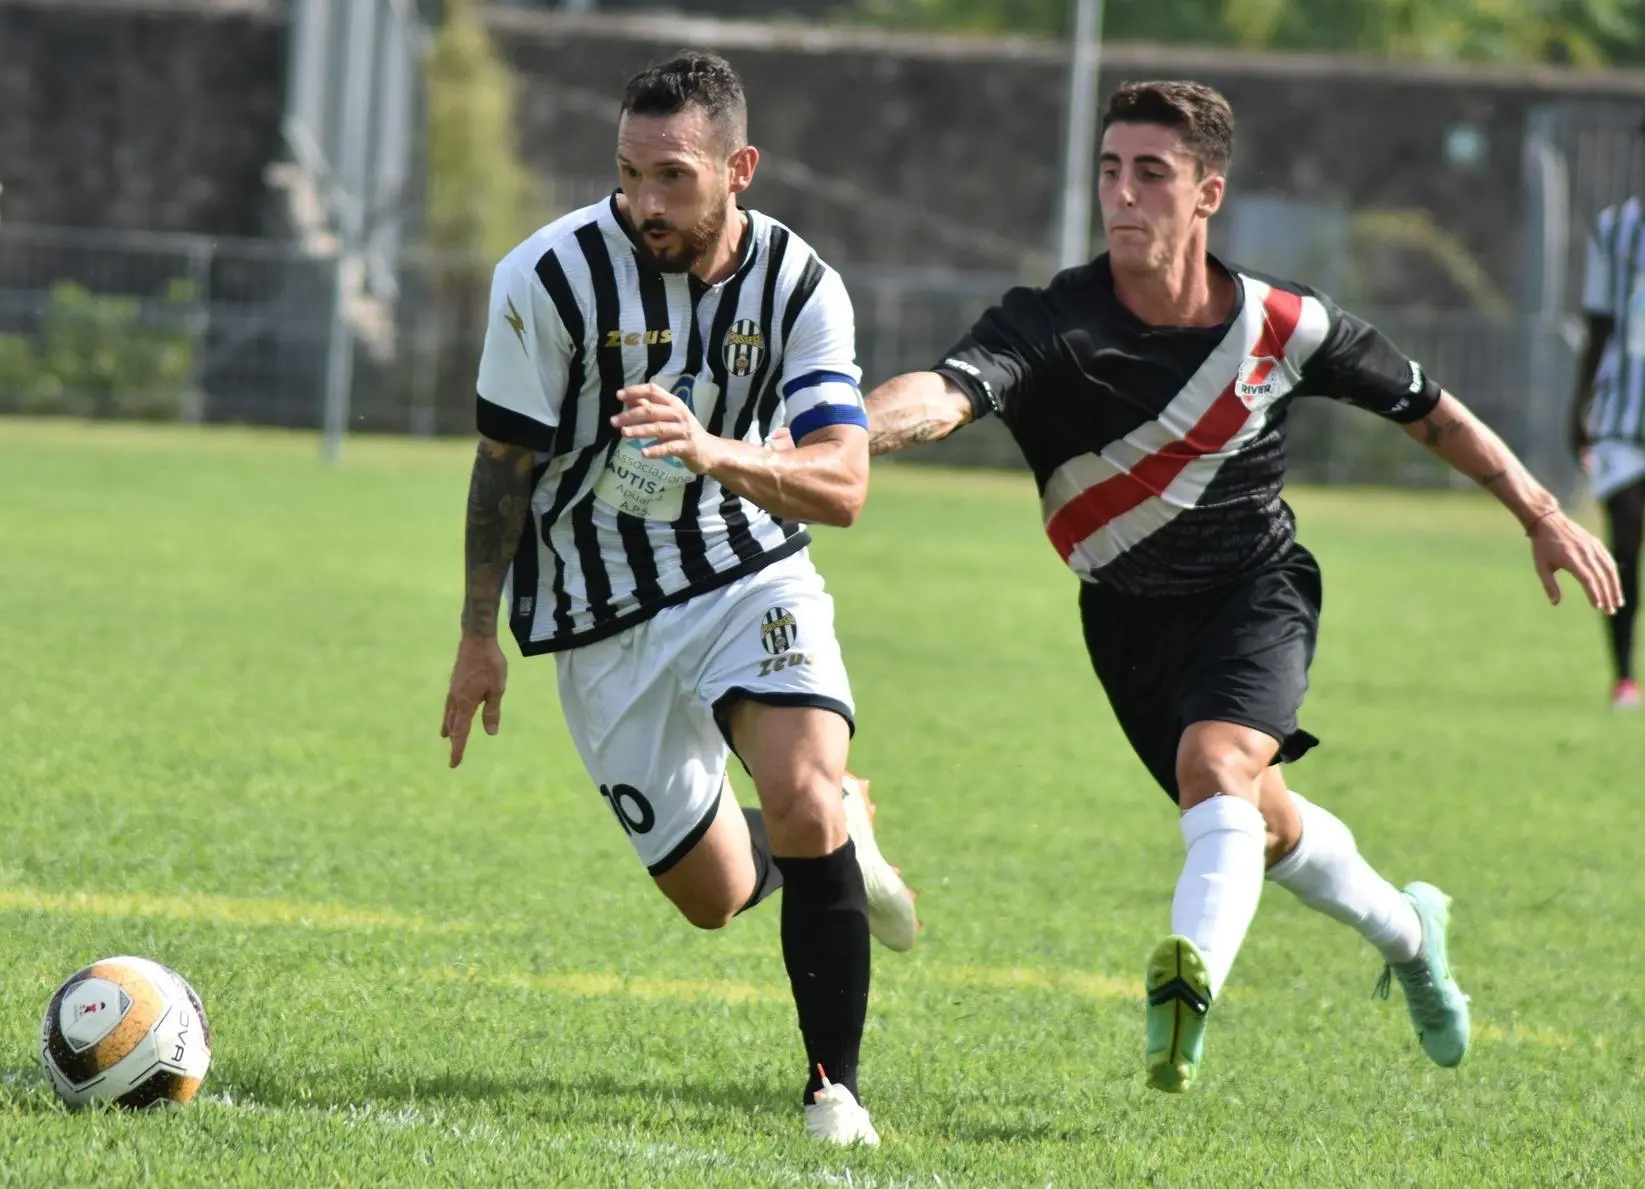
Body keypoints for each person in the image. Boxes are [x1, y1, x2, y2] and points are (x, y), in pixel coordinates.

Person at [861, 80, 1623, 1094]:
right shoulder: (1050, 321)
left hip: (1254, 590)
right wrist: (835, 431)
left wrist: (1539, 510)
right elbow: (942, 396)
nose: (1122, 194)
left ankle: (1189, 988)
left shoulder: (1282, 323)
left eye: (1151, 174)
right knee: (1261, 824)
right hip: (1124, 620)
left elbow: (1428, 409)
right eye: (1109, 170)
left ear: (1206, 192)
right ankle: (1409, 936)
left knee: (1216, 768)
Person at [439, 51, 917, 1145]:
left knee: (800, 792)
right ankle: (846, 831)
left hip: (747, 568)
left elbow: (842, 485)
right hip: (596, 612)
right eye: (627, 175)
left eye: (673, 178)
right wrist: (476, 639)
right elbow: (500, 469)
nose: (644, 204)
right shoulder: (547, 277)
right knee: (715, 893)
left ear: (738, 167)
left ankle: (831, 1088)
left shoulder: (803, 286)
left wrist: (711, 452)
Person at [1570, 126, 1645, 709]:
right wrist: (1580, 406)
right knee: (1625, 544)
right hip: (1624, 418)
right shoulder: (1616, 228)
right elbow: (1599, 323)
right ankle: (1623, 676)